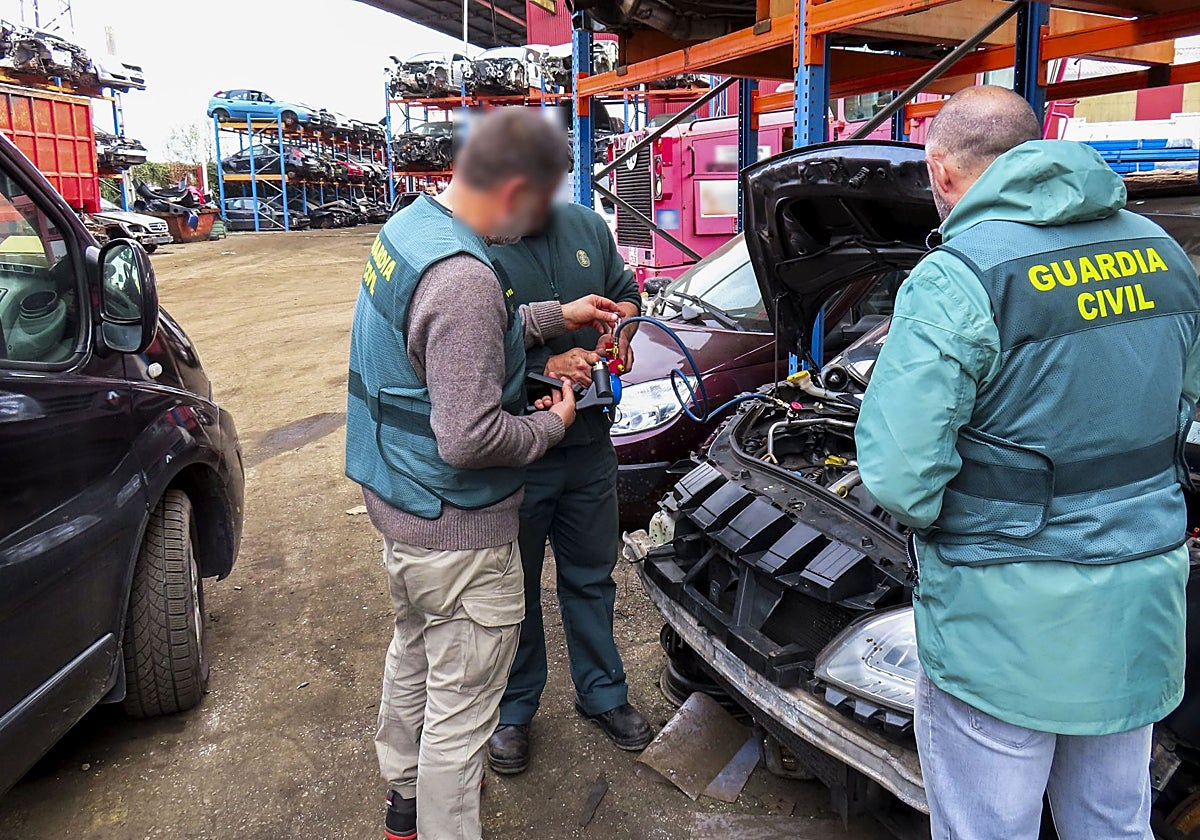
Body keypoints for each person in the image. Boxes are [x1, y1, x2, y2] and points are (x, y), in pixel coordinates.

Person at [856, 84, 1200, 840]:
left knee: (990, 826)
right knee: (1112, 819)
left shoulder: (960, 275)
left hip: (1002, 618)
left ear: (940, 171)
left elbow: (900, 475)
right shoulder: (1163, 254)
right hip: (1139, 605)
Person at [344, 107, 623, 840]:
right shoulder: (464, 274)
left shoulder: (411, 228)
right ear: (511, 191)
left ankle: (402, 807)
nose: (536, 226)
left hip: (402, 508)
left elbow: (444, 335)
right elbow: (470, 437)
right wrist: (553, 422)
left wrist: (549, 315)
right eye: (536, 207)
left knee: (413, 655)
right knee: (462, 715)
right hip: (455, 524)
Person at [483, 202, 650, 775]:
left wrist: (617, 332)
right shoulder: (483, 239)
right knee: (514, 588)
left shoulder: (584, 226)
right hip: (519, 450)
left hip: (589, 448)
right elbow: (480, 343)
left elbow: (625, 291)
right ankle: (513, 709)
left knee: (591, 575)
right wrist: (549, 360)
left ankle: (602, 691)